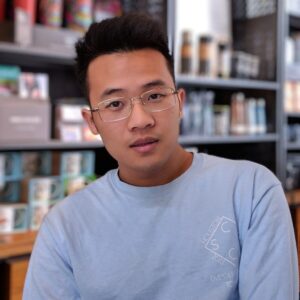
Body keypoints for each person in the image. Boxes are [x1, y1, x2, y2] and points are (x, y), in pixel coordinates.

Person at [23, 13, 299, 300]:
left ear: (179, 103)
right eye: (115, 104)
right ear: (92, 122)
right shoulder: (64, 227)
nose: (140, 120)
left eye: (154, 96)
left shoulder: (251, 192)